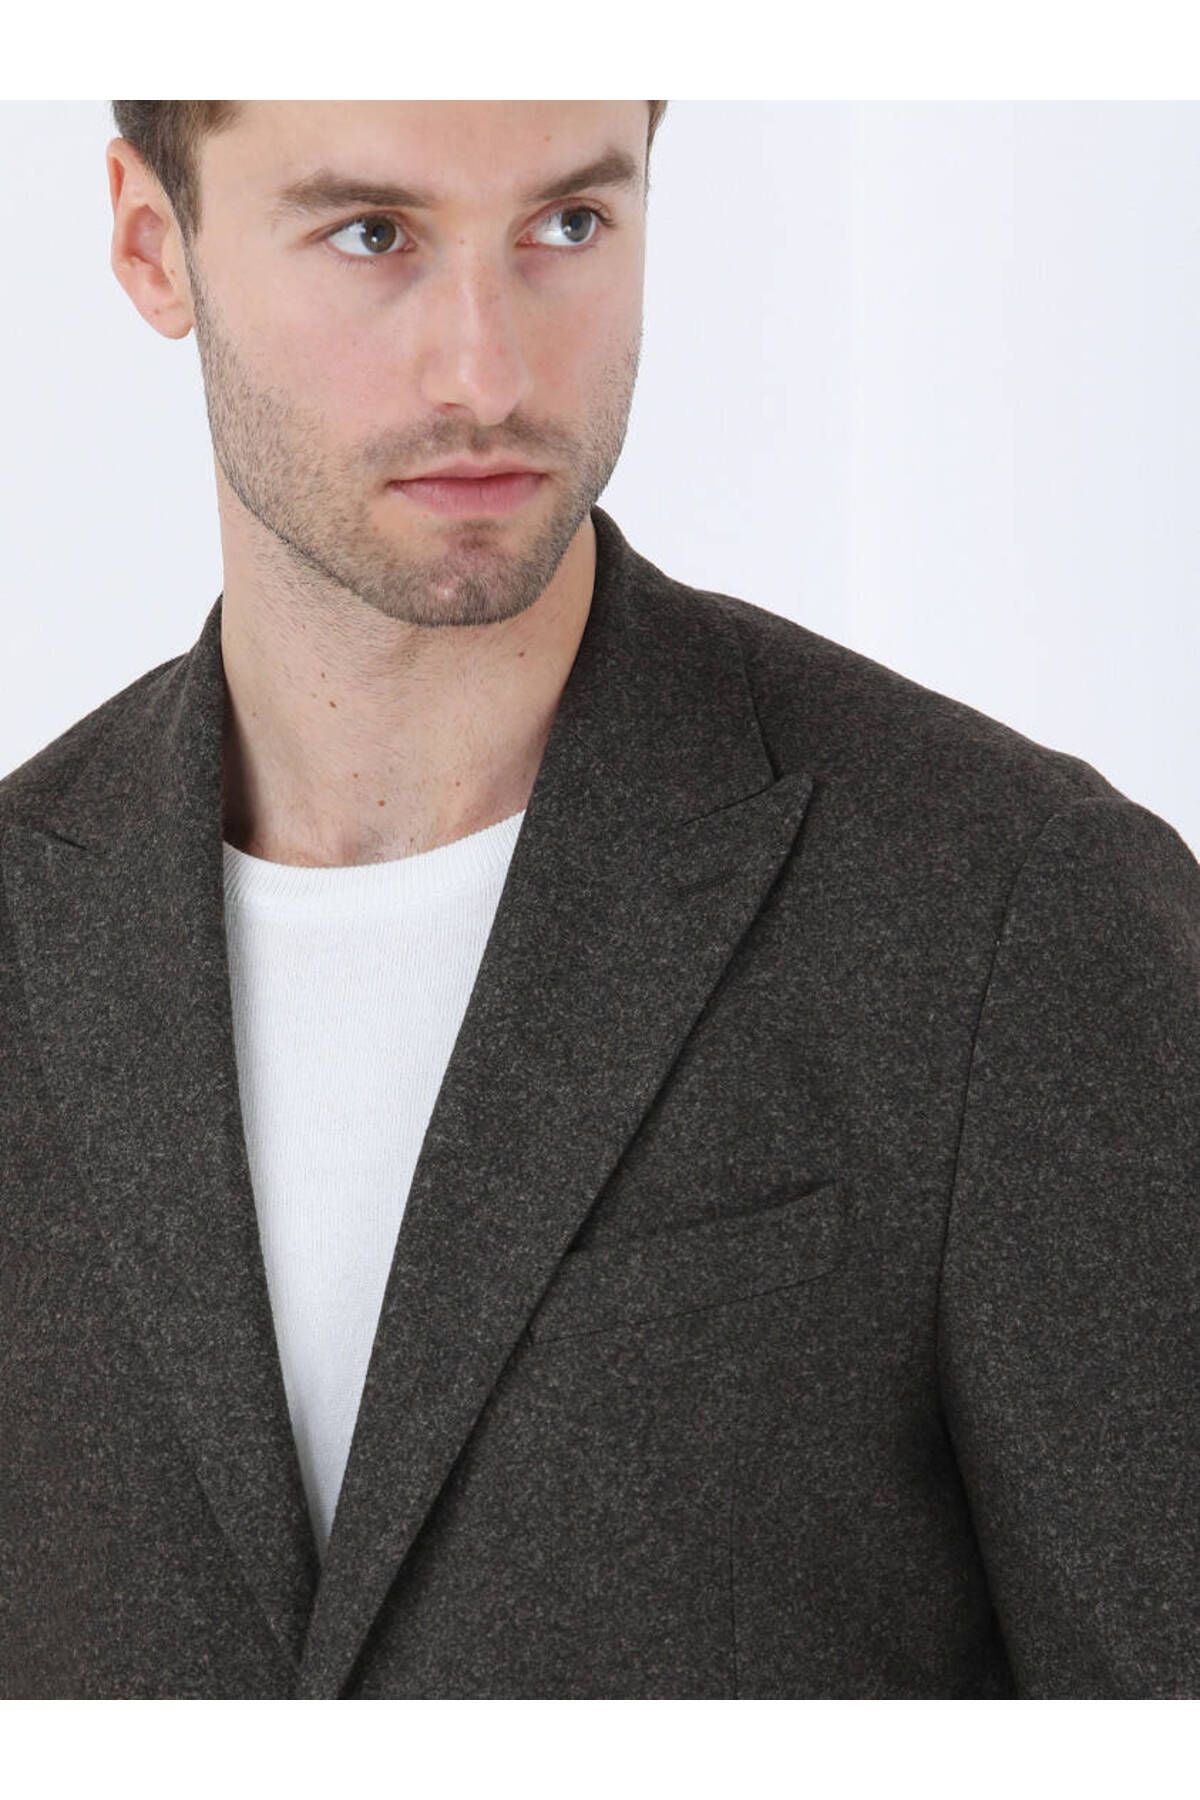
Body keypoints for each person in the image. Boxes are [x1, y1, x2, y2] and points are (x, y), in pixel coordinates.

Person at [0, 99, 1195, 1702]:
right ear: (156, 244)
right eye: (373, 235)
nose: (487, 373)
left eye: (567, 225)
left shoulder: (1010, 914)